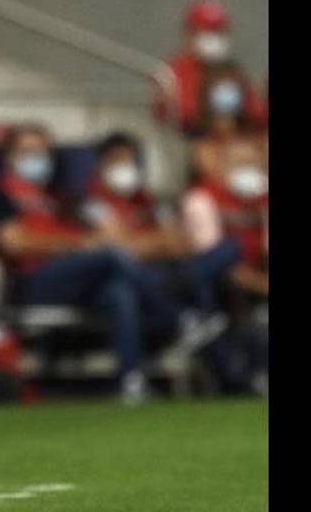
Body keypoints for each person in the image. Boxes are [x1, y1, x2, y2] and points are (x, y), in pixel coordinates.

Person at [0, 124, 153, 404]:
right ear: (10, 157)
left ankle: (131, 381)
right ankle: (172, 317)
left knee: (119, 292)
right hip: (33, 282)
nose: (37, 159)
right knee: (111, 256)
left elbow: (106, 232)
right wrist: (76, 245)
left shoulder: (60, 200)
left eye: (42, 152)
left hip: (75, 280)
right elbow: (13, 243)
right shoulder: (1, 196)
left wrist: (92, 240)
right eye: (28, 152)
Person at [80, 132, 235, 351]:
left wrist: (144, 242)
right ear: (101, 165)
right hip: (126, 278)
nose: (126, 167)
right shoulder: (91, 202)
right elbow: (120, 248)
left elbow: (180, 242)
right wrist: (156, 242)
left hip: (165, 272)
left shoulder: (149, 201)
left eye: (131, 161)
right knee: (127, 289)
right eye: (117, 160)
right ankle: (182, 322)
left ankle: (222, 359)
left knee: (225, 252)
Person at [181, 137, 269, 394]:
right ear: (222, 167)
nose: (249, 170)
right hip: (210, 288)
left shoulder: (262, 201)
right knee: (230, 254)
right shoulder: (202, 199)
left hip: (255, 283)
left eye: (254, 163)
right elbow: (215, 263)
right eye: (241, 163)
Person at [155, 0, 267, 137]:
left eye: (218, 31)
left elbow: (256, 113)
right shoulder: (173, 73)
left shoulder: (232, 70)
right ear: (190, 33)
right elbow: (173, 118)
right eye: (207, 31)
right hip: (191, 141)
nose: (213, 38)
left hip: (236, 140)